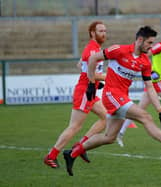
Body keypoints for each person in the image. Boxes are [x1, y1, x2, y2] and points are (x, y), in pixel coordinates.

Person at [62, 26, 161, 176]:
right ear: (139, 40)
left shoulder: (145, 62)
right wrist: (91, 83)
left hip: (122, 97)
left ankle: (72, 153)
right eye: (149, 43)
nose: (150, 47)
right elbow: (93, 58)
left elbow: (150, 87)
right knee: (145, 117)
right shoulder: (119, 50)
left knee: (109, 137)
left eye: (152, 43)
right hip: (111, 95)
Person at [44, 21, 108, 168]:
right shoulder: (92, 50)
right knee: (74, 126)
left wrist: (96, 79)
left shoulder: (95, 48)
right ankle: (51, 156)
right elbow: (91, 72)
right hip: (85, 92)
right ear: (92, 33)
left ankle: (80, 146)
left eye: (105, 31)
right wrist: (108, 77)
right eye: (100, 31)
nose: (104, 33)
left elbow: (80, 65)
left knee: (106, 117)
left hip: (90, 91)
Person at [117, 25, 161, 147]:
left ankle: (120, 133)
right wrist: (149, 70)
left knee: (139, 110)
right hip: (156, 80)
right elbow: (146, 53)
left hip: (156, 81)